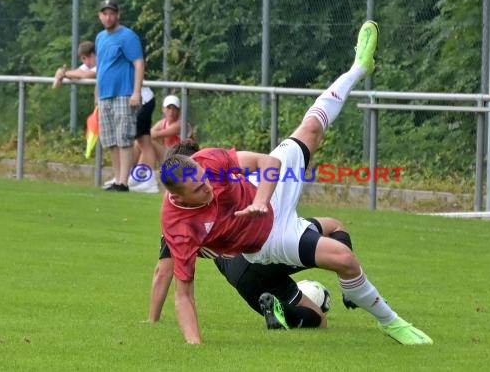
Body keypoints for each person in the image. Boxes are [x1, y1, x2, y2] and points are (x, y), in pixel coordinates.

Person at [160, 21, 433, 345]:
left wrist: (261, 199)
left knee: (310, 130)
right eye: (198, 190)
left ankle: (358, 67)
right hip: (266, 240)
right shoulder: (177, 225)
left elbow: (269, 162)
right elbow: (184, 295)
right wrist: (196, 348)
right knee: (344, 259)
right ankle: (392, 323)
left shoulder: (208, 160)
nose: (207, 187)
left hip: (268, 196)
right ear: (177, 196)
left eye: (205, 180)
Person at [149, 141, 356, 330]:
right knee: (335, 225)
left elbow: (163, 272)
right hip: (263, 247)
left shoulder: (178, 226)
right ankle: (349, 289)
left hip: (242, 279)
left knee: (318, 321)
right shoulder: (222, 182)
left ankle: (282, 310)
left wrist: (153, 319)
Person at [52, 40, 159, 193]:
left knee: (142, 142)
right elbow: (80, 72)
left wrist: (65, 73)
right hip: (134, 102)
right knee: (138, 141)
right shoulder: (92, 62)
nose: (84, 63)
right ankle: (126, 178)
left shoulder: (104, 61)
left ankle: (147, 181)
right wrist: (62, 73)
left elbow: (88, 74)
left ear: (93, 55)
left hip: (142, 100)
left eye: (85, 59)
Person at [95, 0, 145, 192]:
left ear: (118, 15)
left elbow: (138, 63)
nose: (108, 17)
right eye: (105, 13)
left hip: (123, 94)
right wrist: (97, 95)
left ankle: (124, 182)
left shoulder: (127, 36)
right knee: (110, 140)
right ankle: (117, 179)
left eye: (111, 13)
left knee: (124, 137)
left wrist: (136, 92)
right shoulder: (100, 37)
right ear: (100, 16)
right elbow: (100, 68)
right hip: (105, 95)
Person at [149, 95, 194, 163]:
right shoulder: (163, 122)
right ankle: (139, 168)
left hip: (182, 160)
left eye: (174, 108)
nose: (171, 111)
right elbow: (149, 133)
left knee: (147, 141)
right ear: (163, 109)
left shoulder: (180, 124)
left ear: (179, 110)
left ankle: (147, 170)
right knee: (143, 141)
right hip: (171, 156)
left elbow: (154, 134)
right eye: (169, 108)